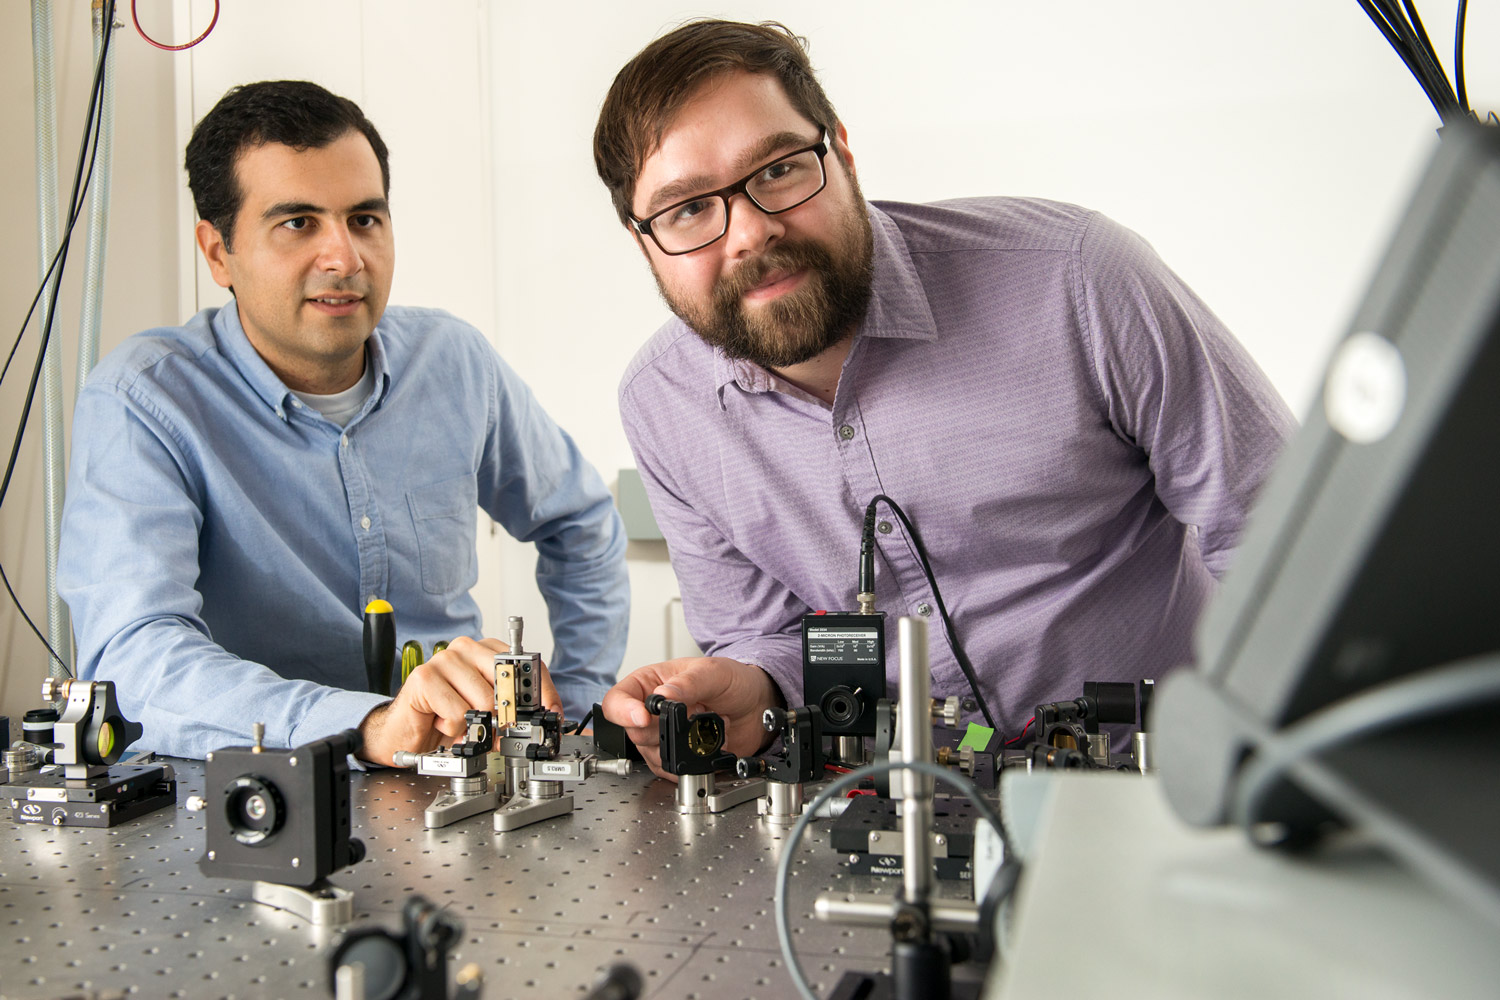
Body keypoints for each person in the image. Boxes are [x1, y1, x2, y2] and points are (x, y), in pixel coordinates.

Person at [594, 21, 1295, 777]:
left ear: (844, 155)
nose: (750, 232)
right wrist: (753, 689)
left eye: (779, 170)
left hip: (1167, 786)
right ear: (644, 243)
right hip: (904, 804)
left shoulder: (1078, 279)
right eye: (688, 210)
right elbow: (769, 641)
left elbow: (1283, 540)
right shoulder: (663, 405)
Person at [58, 81, 628, 764]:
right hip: (252, 799)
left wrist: (580, 709)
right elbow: (135, 655)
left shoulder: (454, 363)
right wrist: (369, 725)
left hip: (452, 785)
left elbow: (582, 526)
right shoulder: (144, 400)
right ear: (218, 253)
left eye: (365, 219)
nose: (346, 258)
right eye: (298, 223)